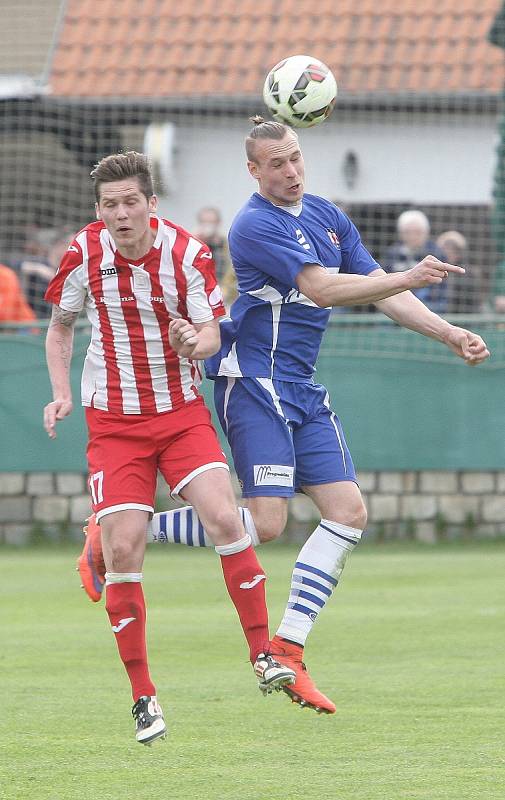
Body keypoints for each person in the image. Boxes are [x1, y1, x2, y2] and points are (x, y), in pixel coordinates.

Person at [77, 123, 489, 716]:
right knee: (264, 524)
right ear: (255, 172)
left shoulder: (326, 214)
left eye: (295, 158)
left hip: (301, 386)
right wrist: (405, 274)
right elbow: (321, 289)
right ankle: (115, 536)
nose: (290, 171)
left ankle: (289, 647)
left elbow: (381, 291)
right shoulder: (254, 225)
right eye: (276, 163)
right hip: (252, 383)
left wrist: (449, 333)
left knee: (349, 513)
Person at [43, 151, 296, 745]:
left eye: (132, 201)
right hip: (115, 425)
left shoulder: (187, 253)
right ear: (99, 210)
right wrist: (61, 394)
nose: (122, 213)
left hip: (181, 416)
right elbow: (59, 326)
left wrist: (193, 341)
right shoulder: (84, 253)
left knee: (223, 516)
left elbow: (211, 331)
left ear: (152, 205)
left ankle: (264, 654)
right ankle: (143, 697)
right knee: (125, 547)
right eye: (111, 204)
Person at [382, 209, 449, 313]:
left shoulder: (436, 253)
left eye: (417, 232)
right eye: (407, 232)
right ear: (401, 234)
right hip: (398, 302)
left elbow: (441, 286)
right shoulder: (392, 253)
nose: (412, 236)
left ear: (426, 233)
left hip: (429, 304)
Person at [195, 206, 237, 306]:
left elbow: (234, 272)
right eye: (204, 222)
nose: (208, 226)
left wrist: (226, 290)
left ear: (218, 223)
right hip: (199, 297)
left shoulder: (227, 245)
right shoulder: (193, 245)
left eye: (211, 222)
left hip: (224, 298)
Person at [436, 230, 482, 313]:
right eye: (445, 248)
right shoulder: (434, 270)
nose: (448, 252)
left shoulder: (469, 273)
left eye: (453, 249)